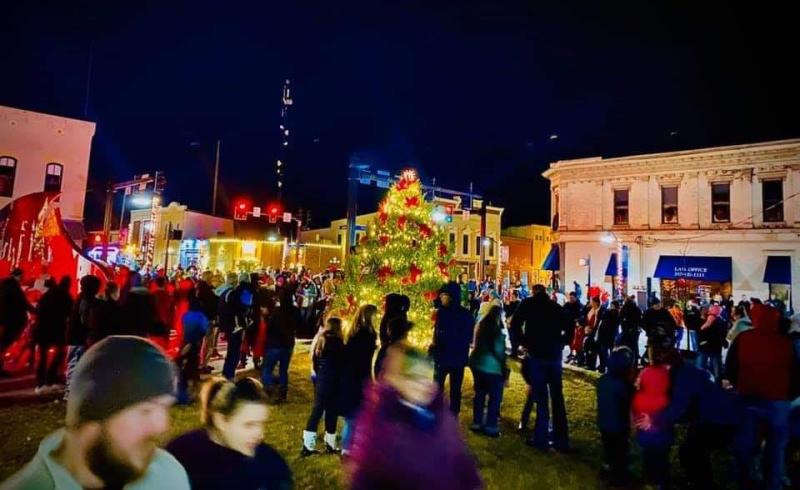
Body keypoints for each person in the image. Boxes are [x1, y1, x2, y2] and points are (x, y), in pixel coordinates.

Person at [1, 336, 189, 489]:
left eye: (165, 408)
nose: (162, 427)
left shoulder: (168, 475)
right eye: (145, 411)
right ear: (91, 421)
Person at [347, 343, 482, 490]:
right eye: (412, 377)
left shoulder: (440, 412)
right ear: (394, 380)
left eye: (425, 377)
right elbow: (364, 475)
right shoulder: (378, 421)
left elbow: (458, 454)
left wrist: (471, 481)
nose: (422, 384)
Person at [167, 377, 291, 490]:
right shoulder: (181, 455)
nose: (260, 434)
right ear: (220, 421)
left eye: (261, 424)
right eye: (249, 425)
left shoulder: (270, 463)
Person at [724, 303, 798, 490]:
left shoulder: (743, 339)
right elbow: (796, 373)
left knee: (747, 444)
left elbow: (730, 367)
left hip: (749, 397)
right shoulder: (785, 343)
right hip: (778, 401)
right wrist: (788, 396)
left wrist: (740, 384)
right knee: (776, 447)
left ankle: (746, 480)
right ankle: (772, 483)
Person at [511, 284, 572, 451]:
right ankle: (561, 439)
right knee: (557, 398)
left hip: (537, 355)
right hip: (553, 356)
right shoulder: (555, 308)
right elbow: (570, 325)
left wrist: (523, 342)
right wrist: (562, 342)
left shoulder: (527, 304)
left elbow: (515, 324)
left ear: (533, 292)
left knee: (542, 399)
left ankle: (541, 437)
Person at [429, 282, 475, 416]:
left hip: (446, 357)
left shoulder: (444, 314)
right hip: (455, 358)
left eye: (444, 296)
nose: (441, 298)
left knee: (443, 387)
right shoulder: (464, 314)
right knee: (452, 389)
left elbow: (440, 335)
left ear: (450, 297)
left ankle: (441, 411)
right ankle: (451, 413)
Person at [302, 316, 345, 455]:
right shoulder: (338, 343)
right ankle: (329, 443)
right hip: (333, 382)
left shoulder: (321, 340)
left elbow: (315, 361)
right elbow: (341, 364)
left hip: (322, 380)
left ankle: (309, 444)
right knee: (331, 412)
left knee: (318, 411)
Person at [340, 304, 378, 456]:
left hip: (352, 375)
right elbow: (362, 357)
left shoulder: (353, 332)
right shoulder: (366, 334)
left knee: (355, 413)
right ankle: (348, 447)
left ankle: (351, 445)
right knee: (356, 414)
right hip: (359, 376)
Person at [596, 346, 634, 487]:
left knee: (609, 448)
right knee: (620, 451)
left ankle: (607, 470)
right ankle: (618, 477)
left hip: (604, 422)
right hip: (618, 425)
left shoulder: (603, 381)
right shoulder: (625, 386)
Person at [468, 305, 507, 438]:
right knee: (494, 397)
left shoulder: (481, 327)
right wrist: (504, 369)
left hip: (477, 364)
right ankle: (491, 426)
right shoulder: (496, 332)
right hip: (492, 367)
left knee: (479, 394)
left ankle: (477, 422)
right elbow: (500, 352)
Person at [64, 275, 101, 400]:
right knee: (76, 364)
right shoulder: (87, 301)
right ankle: (70, 393)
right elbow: (86, 320)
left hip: (76, 337)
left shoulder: (81, 298)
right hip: (79, 338)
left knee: (76, 364)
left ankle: (73, 391)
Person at [33, 277, 73, 394]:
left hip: (42, 329)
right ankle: (50, 379)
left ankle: (41, 383)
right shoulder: (65, 296)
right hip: (55, 329)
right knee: (60, 353)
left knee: (43, 356)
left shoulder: (47, 295)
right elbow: (71, 311)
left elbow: (39, 309)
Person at [263, 288, 301, 402]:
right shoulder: (295, 311)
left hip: (275, 344)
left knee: (267, 368)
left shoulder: (277, 311)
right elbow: (299, 324)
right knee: (283, 370)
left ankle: (269, 388)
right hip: (288, 344)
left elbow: (269, 327)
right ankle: (282, 394)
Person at [0, 268, 35, 370]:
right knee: (4, 343)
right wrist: (36, 311)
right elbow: (23, 302)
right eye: (22, 276)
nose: (22, 279)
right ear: (18, 276)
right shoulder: (14, 287)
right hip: (10, 320)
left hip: (3, 319)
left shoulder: (3, 286)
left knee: (2, 342)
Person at [177, 298, 210, 404]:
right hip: (194, 344)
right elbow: (205, 330)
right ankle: (190, 395)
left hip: (184, 344)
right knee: (192, 370)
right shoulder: (201, 316)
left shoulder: (186, 315)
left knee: (184, 370)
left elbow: (180, 328)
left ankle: (183, 393)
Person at [374, 293, 410, 377]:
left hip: (392, 344)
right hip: (394, 344)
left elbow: (383, 330)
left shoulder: (392, 314)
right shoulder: (399, 313)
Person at [697, 303, 726, 382]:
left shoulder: (704, 320)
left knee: (701, 368)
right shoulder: (721, 321)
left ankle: (700, 385)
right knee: (716, 370)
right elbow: (723, 334)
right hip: (715, 347)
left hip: (705, 346)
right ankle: (717, 386)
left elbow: (700, 331)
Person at [596, 300, 620, 373]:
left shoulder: (616, 314)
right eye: (611, 305)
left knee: (611, 352)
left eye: (613, 306)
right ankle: (603, 366)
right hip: (605, 336)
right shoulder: (607, 312)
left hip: (611, 336)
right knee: (604, 352)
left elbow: (615, 324)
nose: (611, 307)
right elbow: (602, 321)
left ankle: (610, 367)